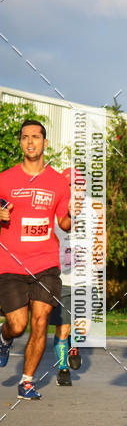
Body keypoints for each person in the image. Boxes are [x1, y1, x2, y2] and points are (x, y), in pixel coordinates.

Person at [0, 121, 71, 400]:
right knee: (18, 325)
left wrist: (73, 214)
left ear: (44, 142)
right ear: (20, 143)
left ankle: (26, 381)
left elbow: (64, 224)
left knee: (40, 320)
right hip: (10, 263)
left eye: (36, 137)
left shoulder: (57, 181)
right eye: (25, 138)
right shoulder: (4, 179)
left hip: (45, 263)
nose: (30, 142)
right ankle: (5, 338)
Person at [49, 168, 83, 387]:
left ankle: (74, 344)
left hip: (83, 277)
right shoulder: (52, 212)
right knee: (63, 326)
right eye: (71, 186)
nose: (76, 191)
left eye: (79, 187)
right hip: (60, 277)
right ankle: (63, 369)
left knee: (81, 326)